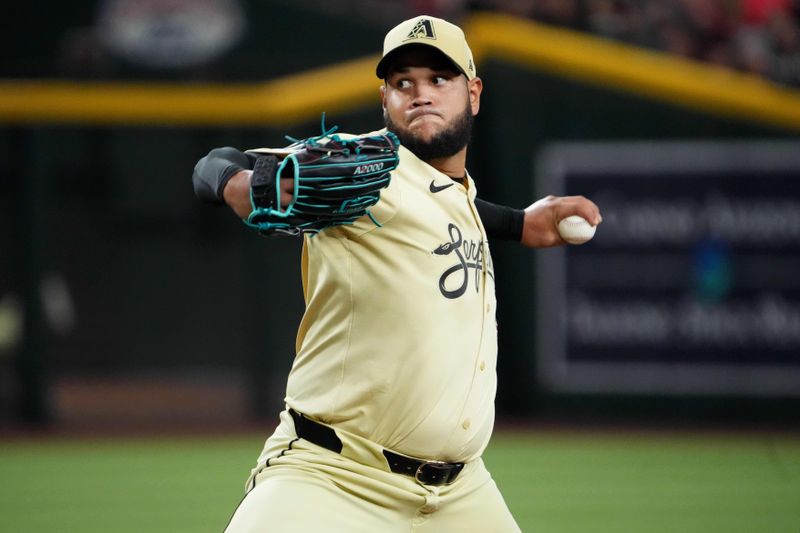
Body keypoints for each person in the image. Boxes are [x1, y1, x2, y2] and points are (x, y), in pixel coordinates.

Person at [193, 15, 601, 533]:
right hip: (333, 478)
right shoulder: (359, 168)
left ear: (473, 93)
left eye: (439, 79)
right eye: (403, 82)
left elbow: (436, 206)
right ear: (384, 99)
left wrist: (521, 224)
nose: (420, 93)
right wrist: (237, 182)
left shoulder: (460, 196)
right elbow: (213, 164)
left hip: (461, 493)